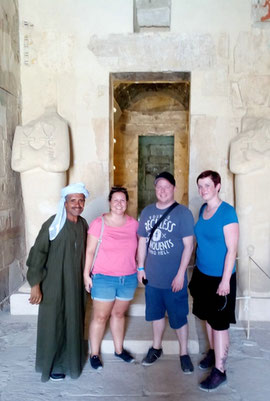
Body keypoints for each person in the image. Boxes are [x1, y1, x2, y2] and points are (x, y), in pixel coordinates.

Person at [27, 182, 89, 382]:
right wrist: (35, 284)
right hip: (53, 284)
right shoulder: (53, 224)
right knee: (54, 323)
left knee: (73, 320)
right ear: (65, 203)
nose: (77, 204)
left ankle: (71, 361)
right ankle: (53, 365)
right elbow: (38, 253)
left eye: (81, 200)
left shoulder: (83, 224)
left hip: (75, 285)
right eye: (73, 200)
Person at [137, 171, 194, 374]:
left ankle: (184, 353)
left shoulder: (183, 213)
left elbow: (189, 246)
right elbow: (142, 241)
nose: (162, 190)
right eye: (159, 187)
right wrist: (140, 267)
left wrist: (181, 274)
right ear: (155, 189)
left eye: (166, 187)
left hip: (174, 279)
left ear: (174, 189)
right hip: (152, 277)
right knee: (156, 315)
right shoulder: (147, 212)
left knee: (179, 317)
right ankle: (156, 347)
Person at [189, 170, 239, 392]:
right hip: (202, 274)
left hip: (221, 278)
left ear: (218, 186)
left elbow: (232, 250)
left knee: (219, 325)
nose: (202, 190)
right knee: (208, 319)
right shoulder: (203, 209)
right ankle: (213, 352)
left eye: (207, 185)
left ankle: (220, 371)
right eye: (200, 186)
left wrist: (226, 281)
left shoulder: (227, 212)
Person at [84, 186, 138, 370]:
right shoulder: (99, 223)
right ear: (109, 202)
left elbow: (139, 250)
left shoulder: (133, 224)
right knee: (100, 317)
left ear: (127, 203)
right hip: (103, 278)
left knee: (118, 314)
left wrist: (140, 268)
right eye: (115, 200)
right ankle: (95, 353)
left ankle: (118, 349)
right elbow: (90, 251)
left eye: (122, 200)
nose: (119, 204)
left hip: (128, 278)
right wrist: (86, 275)